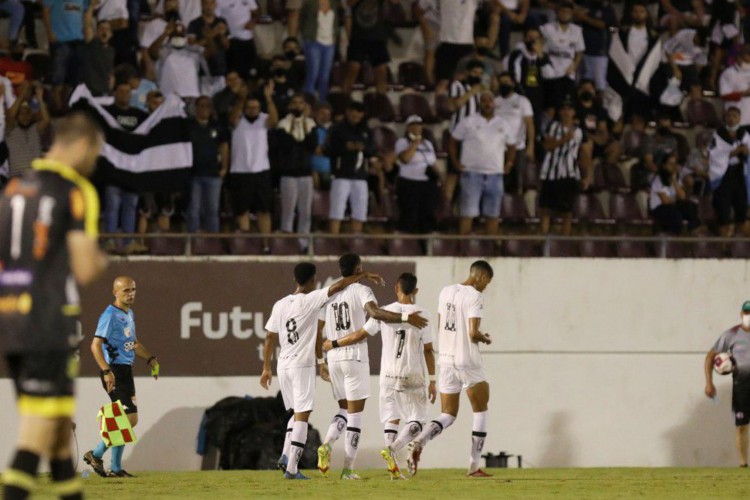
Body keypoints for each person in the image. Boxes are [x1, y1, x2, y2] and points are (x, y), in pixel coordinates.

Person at [0, 111, 108, 499]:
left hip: (11, 322)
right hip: (46, 323)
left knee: (60, 432)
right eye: (95, 153)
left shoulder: (12, 189)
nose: (94, 162)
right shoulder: (74, 190)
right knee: (36, 434)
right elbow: (84, 266)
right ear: (81, 146)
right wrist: (100, 259)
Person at [260, 263, 385, 479]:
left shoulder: (279, 304)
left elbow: (270, 336)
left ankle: (285, 455)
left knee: (294, 413)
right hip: (304, 365)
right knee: (303, 417)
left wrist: (265, 368)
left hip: (283, 365)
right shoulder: (312, 299)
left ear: (294, 279)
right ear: (313, 280)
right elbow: (338, 286)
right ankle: (292, 469)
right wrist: (362, 275)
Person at [316, 253, 428, 480]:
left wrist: (321, 360)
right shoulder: (362, 290)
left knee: (343, 410)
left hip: (333, 357)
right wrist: (406, 319)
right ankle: (348, 469)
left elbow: (318, 330)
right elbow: (375, 313)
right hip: (354, 357)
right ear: (358, 268)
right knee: (355, 417)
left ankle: (327, 444)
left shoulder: (329, 294)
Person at [406, 260, 494, 478]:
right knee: (481, 410)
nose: (485, 287)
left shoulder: (445, 292)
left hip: (445, 359)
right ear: (481, 277)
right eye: (487, 282)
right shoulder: (475, 296)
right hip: (468, 360)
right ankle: (474, 466)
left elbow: (440, 323)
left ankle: (419, 441)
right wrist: (485, 338)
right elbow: (473, 333)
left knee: (447, 414)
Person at [83, 276, 160, 478]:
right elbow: (95, 345)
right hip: (114, 371)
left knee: (125, 419)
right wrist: (106, 371)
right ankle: (96, 454)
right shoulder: (109, 315)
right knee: (128, 419)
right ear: (115, 292)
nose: (131, 293)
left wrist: (151, 358)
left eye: (133, 289)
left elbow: (133, 343)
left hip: (125, 371)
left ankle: (115, 467)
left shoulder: (129, 313)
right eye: (126, 290)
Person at [449, 90, 517, 236]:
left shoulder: (503, 124)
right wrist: (455, 162)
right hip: (471, 173)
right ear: (480, 104)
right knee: (468, 212)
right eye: (484, 101)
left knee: (493, 214)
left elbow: (512, 146)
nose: (487, 104)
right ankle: (464, 249)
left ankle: (490, 252)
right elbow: (453, 141)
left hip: (495, 175)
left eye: (490, 101)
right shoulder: (468, 121)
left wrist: (509, 163)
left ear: (494, 104)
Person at [228, 82, 278, 250]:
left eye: (255, 107)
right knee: (242, 210)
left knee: (264, 210)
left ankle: (265, 245)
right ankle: (246, 245)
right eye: (249, 107)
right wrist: (241, 98)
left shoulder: (264, 119)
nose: (252, 110)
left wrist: (269, 99)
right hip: (240, 171)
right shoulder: (238, 120)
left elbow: (274, 121)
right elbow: (232, 117)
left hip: (261, 171)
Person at [102, 80, 149, 254]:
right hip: (113, 170)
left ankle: (128, 242)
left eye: (128, 92)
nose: (125, 95)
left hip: (132, 169)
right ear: (114, 93)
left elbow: (153, 127)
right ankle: (110, 241)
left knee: (130, 206)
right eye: (121, 92)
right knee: (112, 206)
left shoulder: (139, 115)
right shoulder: (107, 113)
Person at [704, 300, 750, 468]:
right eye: (746, 313)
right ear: (741, 314)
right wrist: (709, 383)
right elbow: (710, 356)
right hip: (742, 386)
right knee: (741, 425)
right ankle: (743, 464)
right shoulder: (731, 334)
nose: (748, 316)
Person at [539, 98, 592, 235]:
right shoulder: (553, 126)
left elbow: (585, 155)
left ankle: (565, 242)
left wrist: (586, 176)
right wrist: (564, 139)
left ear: (574, 112)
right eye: (563, 109)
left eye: (569, 109)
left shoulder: (580, 132)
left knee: (567, 211)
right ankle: (544, 241)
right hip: (550, 173)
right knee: (546, 210)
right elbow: (547, 146)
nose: (566, 112)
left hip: (569, 173)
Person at [275, 94, 317, 252]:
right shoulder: (283, 124)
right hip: (289, 174)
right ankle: (287, 240)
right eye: (295, 103)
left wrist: (305, 124)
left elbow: (311, 145)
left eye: (301, 103)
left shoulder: (311, 124)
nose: (298, 106)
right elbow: (286, 145)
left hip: (305, 173)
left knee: (305, 210)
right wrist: (293, 125)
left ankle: (303, 243)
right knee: (288, 209)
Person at [325, 100, 374, 235]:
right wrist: (345, 147)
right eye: (353, 114)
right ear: (348, 112)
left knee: (360, 211)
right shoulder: (337, 129)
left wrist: (363, 148)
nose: (356, 118)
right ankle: (333, 240)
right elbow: (329, 149)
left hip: (360, 176)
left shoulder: (366, 130)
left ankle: (356, 240)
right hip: (341, 175)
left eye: (359, 115)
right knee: (337, 210)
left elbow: (372, 149)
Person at [186, 96, 229, 233]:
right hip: (193, 174)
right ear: (196, 108)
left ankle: (212, 244)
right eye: (202, 105)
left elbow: (224, 146)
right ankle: (192, 244)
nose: (205, 109)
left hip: (213, 173)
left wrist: (224, 167)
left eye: (208, 106)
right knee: (193, 210)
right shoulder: (188, 125)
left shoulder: (217, 126)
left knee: (212, 210)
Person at [708, 107, 750, 237]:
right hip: (724, 176)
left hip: (739, 175)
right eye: (729, 116)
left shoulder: (744, 134)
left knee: (742, 213)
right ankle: (723, 248)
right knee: (723, 215)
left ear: (739, 118)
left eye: (734, 116)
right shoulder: (718, 134)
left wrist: (745, 152)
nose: (731, 119)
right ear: (725, 118)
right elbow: (714, 154)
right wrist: (733, 153)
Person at [540, 1, 585, 117]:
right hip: (551, 71)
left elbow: (580, 51)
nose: (565, 14)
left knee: (564, 105)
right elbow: (540, 48)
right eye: (562, 11)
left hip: (567, 72)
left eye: (568, 12)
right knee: (550, 106)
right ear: (557, 12)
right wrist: (545, 65)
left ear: (571, 14)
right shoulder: (547, 28)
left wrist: (574, 66)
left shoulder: (576, 30)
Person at [395, 115, 439, 234]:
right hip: (409, 183)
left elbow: (433, 162)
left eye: (418, 124)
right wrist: (414, 144)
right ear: (407, 128)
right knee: (409, 215)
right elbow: (405, 159)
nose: (416, 127)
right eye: (413, 125)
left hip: (426, 183)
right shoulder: (402, 142)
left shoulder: (428, 143)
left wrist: (439, 177)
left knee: (427, 214)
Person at [342, 0, 397, 95]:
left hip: (377, 36)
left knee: (381, 71)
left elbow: (395, 2)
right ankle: (344, 100)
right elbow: (348, 3)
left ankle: (381, 100)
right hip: (358, 36)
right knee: (353, 69)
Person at [43, 0, 87, 112]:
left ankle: (69, 108)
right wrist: (49, 33)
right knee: (58, 77)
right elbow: (46, 10)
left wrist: (85, 32)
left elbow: (85, 13)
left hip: (78, 40)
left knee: (74, 79)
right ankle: (58, 110)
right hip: (60, 40)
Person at [494, 72, 535, 194]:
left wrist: (531, 145)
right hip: (498, 148)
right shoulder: (495, 101)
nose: (504, 85)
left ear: (512, 83)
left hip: (518, 147)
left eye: (507, 82)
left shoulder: (522, 101)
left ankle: (518, 209)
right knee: (501, 181)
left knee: (518, 182)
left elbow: (529, 124)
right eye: (502, 82)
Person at [648, 152, 700, 234]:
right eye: (670, 164)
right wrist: (675, 199)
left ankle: (691, 231)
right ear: (664, 166)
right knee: (675, 214)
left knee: (691, 207)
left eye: (675, 164)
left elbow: (682, 196)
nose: (673, 167)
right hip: (659, 208)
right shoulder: (658, 180)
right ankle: (676, 238)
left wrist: (674, 180)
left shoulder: (675, 179)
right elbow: (665, 201)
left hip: (673, 205)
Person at [6, 84, 51, 179]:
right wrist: (22, 94)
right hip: (17, 178)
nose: (25, 117)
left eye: (28, 113)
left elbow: (46, 120)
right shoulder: (10, 130)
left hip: (36, 177)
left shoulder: (35, 128)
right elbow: (10, 115)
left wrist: (39, 99)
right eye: (22, 113)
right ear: (17, 116)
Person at [300, 0, 340, 101]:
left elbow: (336, 21)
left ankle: (322, 104)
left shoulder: (334, 3)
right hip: (314, 42)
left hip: (330, 43)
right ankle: (308, 103)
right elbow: (302, 18)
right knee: (313, 74)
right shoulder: (310, 3)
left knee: (325, 76)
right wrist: (306, 35)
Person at [575, 0, 617, 92]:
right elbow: (575, 17)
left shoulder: (607, 8)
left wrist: (584, 17)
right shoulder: (586, 5)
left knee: (599, 84)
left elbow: (602, 24)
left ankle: (599, 105)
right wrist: (580, 15)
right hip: (582, 50)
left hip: (599, 52)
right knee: (581, 82)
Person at [80, 1, 115, 97]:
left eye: (107, 29)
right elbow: (87, 25)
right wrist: (91, 6)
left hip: (105, 93)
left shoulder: (112, 50)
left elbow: (110, 68)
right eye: (101, 29)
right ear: (96, 32)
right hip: (91, 93)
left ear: (111, 34)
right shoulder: (93, 45)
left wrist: (112, 77)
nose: (104, 31)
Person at [215, 0, 259, 78]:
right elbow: (216, 19)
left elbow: (256, 11)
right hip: (232, 40)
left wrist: (253, 21)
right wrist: (223, 36)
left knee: (252, 72)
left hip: (248, 39)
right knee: (234, 73)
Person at [187, 0, 230, 79]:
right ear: (202, 5)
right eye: (206, 3)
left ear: (215, 4)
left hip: (220, 70)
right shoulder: (194, 24)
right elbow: (192, 47)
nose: (209, 6)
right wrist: (214, 33)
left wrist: (222, 35)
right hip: (202, 71)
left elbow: (227, 45)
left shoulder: (222, 21)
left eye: (212, 3)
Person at [719, 45, 750, 127]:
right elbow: (724, 95)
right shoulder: (729, 73)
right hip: (737, 119)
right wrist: (743, 94)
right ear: (739, 58)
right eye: (746, 60)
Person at [311, 103, 333, 190]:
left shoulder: (332, 131)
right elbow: (315, 150)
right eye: (322, 113)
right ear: (315, 113)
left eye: (328, 114)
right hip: (312, 170)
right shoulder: (311, 129)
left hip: (329, 170)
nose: (325, 117)